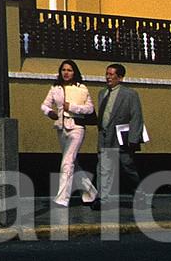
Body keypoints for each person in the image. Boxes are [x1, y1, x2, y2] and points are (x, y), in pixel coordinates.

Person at [40, 58, 100, 207]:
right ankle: (91, 193)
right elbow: (44, 105)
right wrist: (49, 112)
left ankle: (61, 199)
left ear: (74, 72)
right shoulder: (56, 88)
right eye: (64, 70)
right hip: (61, 128)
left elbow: (90, 109)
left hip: (76, 128)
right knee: (72, 162)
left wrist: (71, 107)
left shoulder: (82, 88)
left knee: (67, 162)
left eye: (69, 70)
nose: (66, 73)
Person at [96, 63, 147, 203]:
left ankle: (139, 194)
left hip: (121, 138)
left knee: (127, 167)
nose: (108, 77)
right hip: (105, 136)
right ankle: (102, 198)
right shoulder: (102, 93)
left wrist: (133, 139)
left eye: (111, 74)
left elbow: (136, 116)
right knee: (103, 168)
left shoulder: (130, 94)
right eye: (107, 74)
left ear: (120, 77)